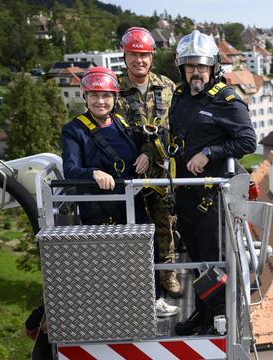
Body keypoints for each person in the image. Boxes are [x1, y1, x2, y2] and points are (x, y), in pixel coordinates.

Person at [61, 66, 178, 318]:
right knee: (111, 262)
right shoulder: (75, 130)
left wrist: (146, 154)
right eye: (94, 95)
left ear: (114, 98)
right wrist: (92, 173)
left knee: (147, 250)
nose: (100, 101)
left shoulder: (120, 122)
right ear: (85, 96)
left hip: (131, 200)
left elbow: (142, 142)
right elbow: (70, 169)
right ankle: (116, 309)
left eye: (106, 96)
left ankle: (154, 300)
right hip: (100, 207)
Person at [169, 30, 257, 335]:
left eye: (202, 66)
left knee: (213, 263)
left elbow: (248, 141)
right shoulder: (180, 97)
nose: (196, 72)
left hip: (211, 200)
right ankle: (203, 314)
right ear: (182, 68)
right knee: (195, 262)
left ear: (212, 67)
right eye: (190, 66)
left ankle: (221, 320)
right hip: (185, 195)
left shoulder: (227, 100)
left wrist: (211, 152)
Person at [115, 26, 182, 298]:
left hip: (161, 170)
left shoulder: (167, 87)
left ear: (151, 57)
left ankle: (167, 275)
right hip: (129, 171)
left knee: (165, 223)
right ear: (125, 56)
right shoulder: (116, 90)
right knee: (132, 226)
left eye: (143, 55)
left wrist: (153, 153)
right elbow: (111, 133)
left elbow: (175, 126)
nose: (138, 60)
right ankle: (138, 280)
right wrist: (137, 154)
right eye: (133, 54)